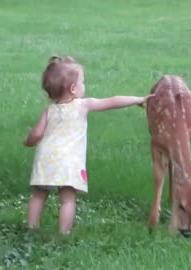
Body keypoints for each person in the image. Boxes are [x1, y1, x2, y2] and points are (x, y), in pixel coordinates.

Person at [24, 56, 153, 234]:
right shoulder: (83, 105)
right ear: (73, 88)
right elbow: (112, 101)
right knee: (67, 199)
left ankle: (31, 228)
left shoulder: (49, 110)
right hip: (69, 160)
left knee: (39, 195)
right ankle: (64, 233)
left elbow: (37, 134)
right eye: (82, 82)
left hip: (45, 158)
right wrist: (138, 99)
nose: (84, 86)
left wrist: (28, 141)